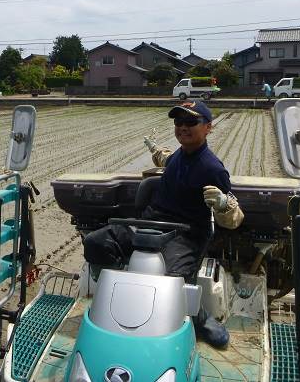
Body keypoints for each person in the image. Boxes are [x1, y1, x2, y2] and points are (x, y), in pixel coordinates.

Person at [83, 100, 243, 348]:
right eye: (179, 122)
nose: (183, 127)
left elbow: (234, 216)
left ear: (208, 127)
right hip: (149, 222)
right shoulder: (179, 155)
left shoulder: (212, 169)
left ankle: (200, 319)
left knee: (171, 281)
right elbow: (167, 159)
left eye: (191, 122)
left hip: (184, 234)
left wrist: (223, 204)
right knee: (95, 243)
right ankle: (121, 292)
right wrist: (155, 150)